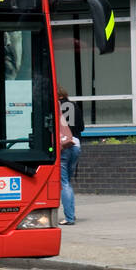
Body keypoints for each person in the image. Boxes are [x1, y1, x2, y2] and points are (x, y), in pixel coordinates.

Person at [57, 85, 82, 225]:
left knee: (64, 182)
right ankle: (71, 214)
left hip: (63, 146)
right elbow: (82, 127)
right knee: (68, 182)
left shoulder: (56, 106)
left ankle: (69, 218)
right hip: (76, 145)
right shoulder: (74, 106)